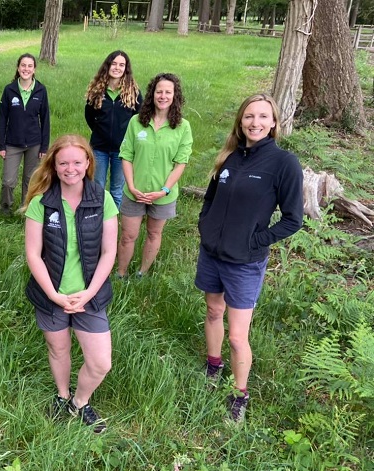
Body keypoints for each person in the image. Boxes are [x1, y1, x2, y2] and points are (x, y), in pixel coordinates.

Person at [195, 94, 303, 422]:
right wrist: (206, 225)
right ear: (240, 122)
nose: (254, 123)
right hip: (212, 252)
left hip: (245, 261)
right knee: (213, 310)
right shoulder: (229, 156)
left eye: (262, 117)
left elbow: (292, 219)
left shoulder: (283, 163)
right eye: (248, 117)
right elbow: (211, 198)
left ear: (273, 124)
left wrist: (255, 241)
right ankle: (214, 366)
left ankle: (239, 395)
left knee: (237, 335)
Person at [24, 134, 118, 434]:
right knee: (58, 350)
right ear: (53, 164)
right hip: (51, 293)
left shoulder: (102, 198)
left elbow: (109, 251)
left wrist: (89, 293)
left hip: (89, 294)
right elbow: (33, 254)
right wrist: (53, 294)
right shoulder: (42, 202)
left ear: (88, 163)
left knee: (101, 363)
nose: (70, 168)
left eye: (77, 162)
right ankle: (63, 396)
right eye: (63, 162)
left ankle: (80, 402)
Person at [117, 73, 193, 278]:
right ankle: (120, 274)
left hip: (163, 194)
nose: (163, 96)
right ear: (152, 94)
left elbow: (180, 163)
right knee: (127, 235)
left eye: (168, 92)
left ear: (175, 96)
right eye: (159, 91)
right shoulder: (136, 122)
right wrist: (131, 186)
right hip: (135, 191)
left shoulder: (183, 127)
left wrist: (164, 190)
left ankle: (142, 273)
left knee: (154, 233)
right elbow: (126, 156)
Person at [84, 50, 143, 208]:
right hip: (99, 148)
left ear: (126, 68)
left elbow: (140, 118)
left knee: (117, 190)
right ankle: (96, 219)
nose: (117, 67)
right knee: (98, 186)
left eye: (121, 65)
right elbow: (89, 116)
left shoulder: (133, 92)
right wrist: (100, 131)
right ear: (108, 66)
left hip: (122, 150)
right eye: (114, 64)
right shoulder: (97, 90)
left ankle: (113, 223)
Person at [0, 53, 50, 215]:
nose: (26, 69)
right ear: (18, 68)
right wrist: (1, 145)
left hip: (34, 143)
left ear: (34, 69)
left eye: (29, 66)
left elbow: (46, 119)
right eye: (23, 65)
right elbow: (2, 118)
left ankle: (26, 208)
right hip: (13, 143)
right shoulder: (9, 90)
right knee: (8, 181)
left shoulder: (41, 90)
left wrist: (44, 147)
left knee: (30, 179)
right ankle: (5, 208)